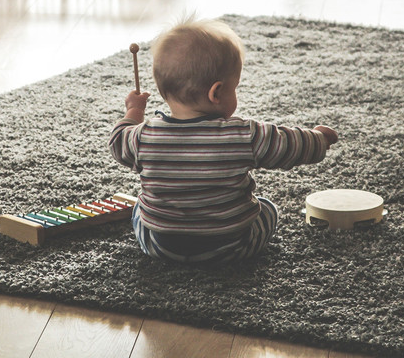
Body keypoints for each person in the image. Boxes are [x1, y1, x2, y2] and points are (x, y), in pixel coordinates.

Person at [109, 17, 338, 264]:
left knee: (138, 209)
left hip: (162, 247)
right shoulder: (244, 135)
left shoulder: (143, 137)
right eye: (234, 87)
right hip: (232, 247)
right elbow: (289, 144)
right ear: (216, 92)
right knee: (268, 208)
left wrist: (133, 111)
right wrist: (319, 139)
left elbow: (118, 142)